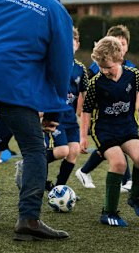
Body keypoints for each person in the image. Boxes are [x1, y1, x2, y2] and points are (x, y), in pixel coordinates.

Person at [0, 0, 72, 240]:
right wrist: (55, 108)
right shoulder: (57, 11)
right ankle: (28, 219)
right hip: (14, 85)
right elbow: (61, 66)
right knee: (33, 149)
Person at [79, 36, 139, 227]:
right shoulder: (96, 82)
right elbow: (86, 110)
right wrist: (83, 137)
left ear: (120, 59)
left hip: (127, 126)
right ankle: (108, 212)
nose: (104, 71)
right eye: (101, 67)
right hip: (105, 130)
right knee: (119, 163)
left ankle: (134, 198)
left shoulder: (132, 75)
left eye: (108, 67)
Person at [75, 25, 137, 192]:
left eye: (123, 43)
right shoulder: (98, 65)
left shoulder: (130, 66)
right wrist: (81, 110)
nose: (121, 47)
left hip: (123, 113)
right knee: (116, 141)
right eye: (117, 43)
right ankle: (128, 180)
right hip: (102, 114)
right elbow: (84, 88)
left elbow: (136, 90)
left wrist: (135, 109)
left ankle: (84, 171)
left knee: (112, 145)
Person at [43, 27, 88, 190]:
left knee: (73, 151)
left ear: (77, 45)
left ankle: (59, 189)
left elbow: (85, 93)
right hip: (54, 116)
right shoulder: (53, 63)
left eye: (73, 43)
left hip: (70, 118)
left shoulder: (81, 69)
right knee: (62, 150)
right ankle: (31, 163)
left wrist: (83, 113)